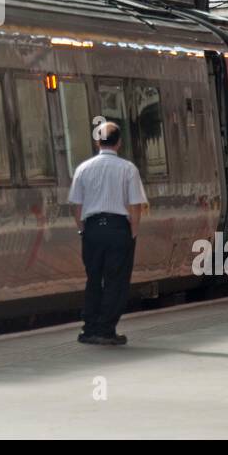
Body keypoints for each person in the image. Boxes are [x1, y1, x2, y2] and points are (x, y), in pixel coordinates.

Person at [68, 120, 149, 345]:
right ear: (119, 143)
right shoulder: (128, 169)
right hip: (118, 230)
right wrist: (133, 233)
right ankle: (106, 329)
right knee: (116, 281)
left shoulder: (83, 169)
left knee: (94, 279)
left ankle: (89, 328)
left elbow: (76, 205)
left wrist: (82, 229)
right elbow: (135, 205)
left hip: (92, 229)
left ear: (97, 142)